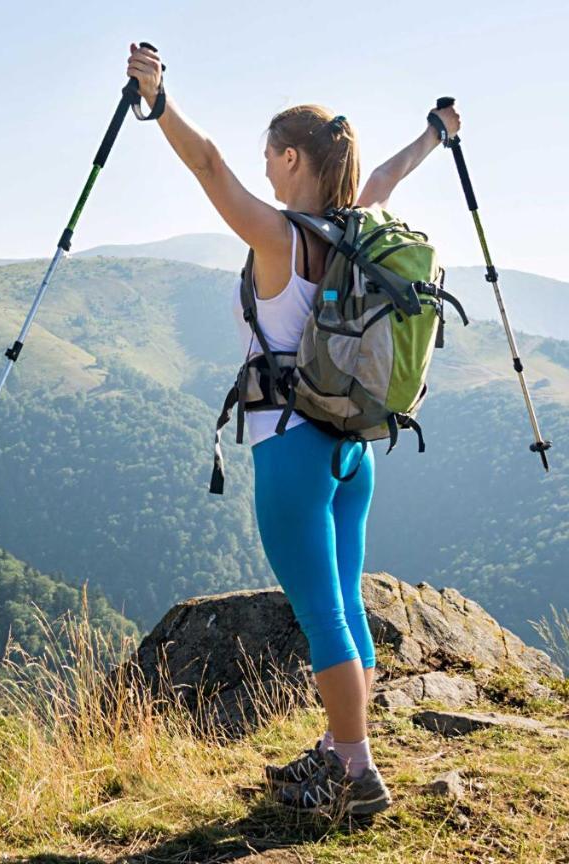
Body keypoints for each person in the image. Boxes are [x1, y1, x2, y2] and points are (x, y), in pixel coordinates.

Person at [126, 42, 460, 817]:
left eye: (269, 158)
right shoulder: (357, 228)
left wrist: (159, 99)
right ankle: (339, 751)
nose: (262, 170)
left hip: (293, 451)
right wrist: (436, 134)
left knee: (322, 613)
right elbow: (389, 176)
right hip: (352, 452)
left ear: (290, 157)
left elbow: (208, 167)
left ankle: (354, 774)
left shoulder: (280, 240)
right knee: (340, 602)